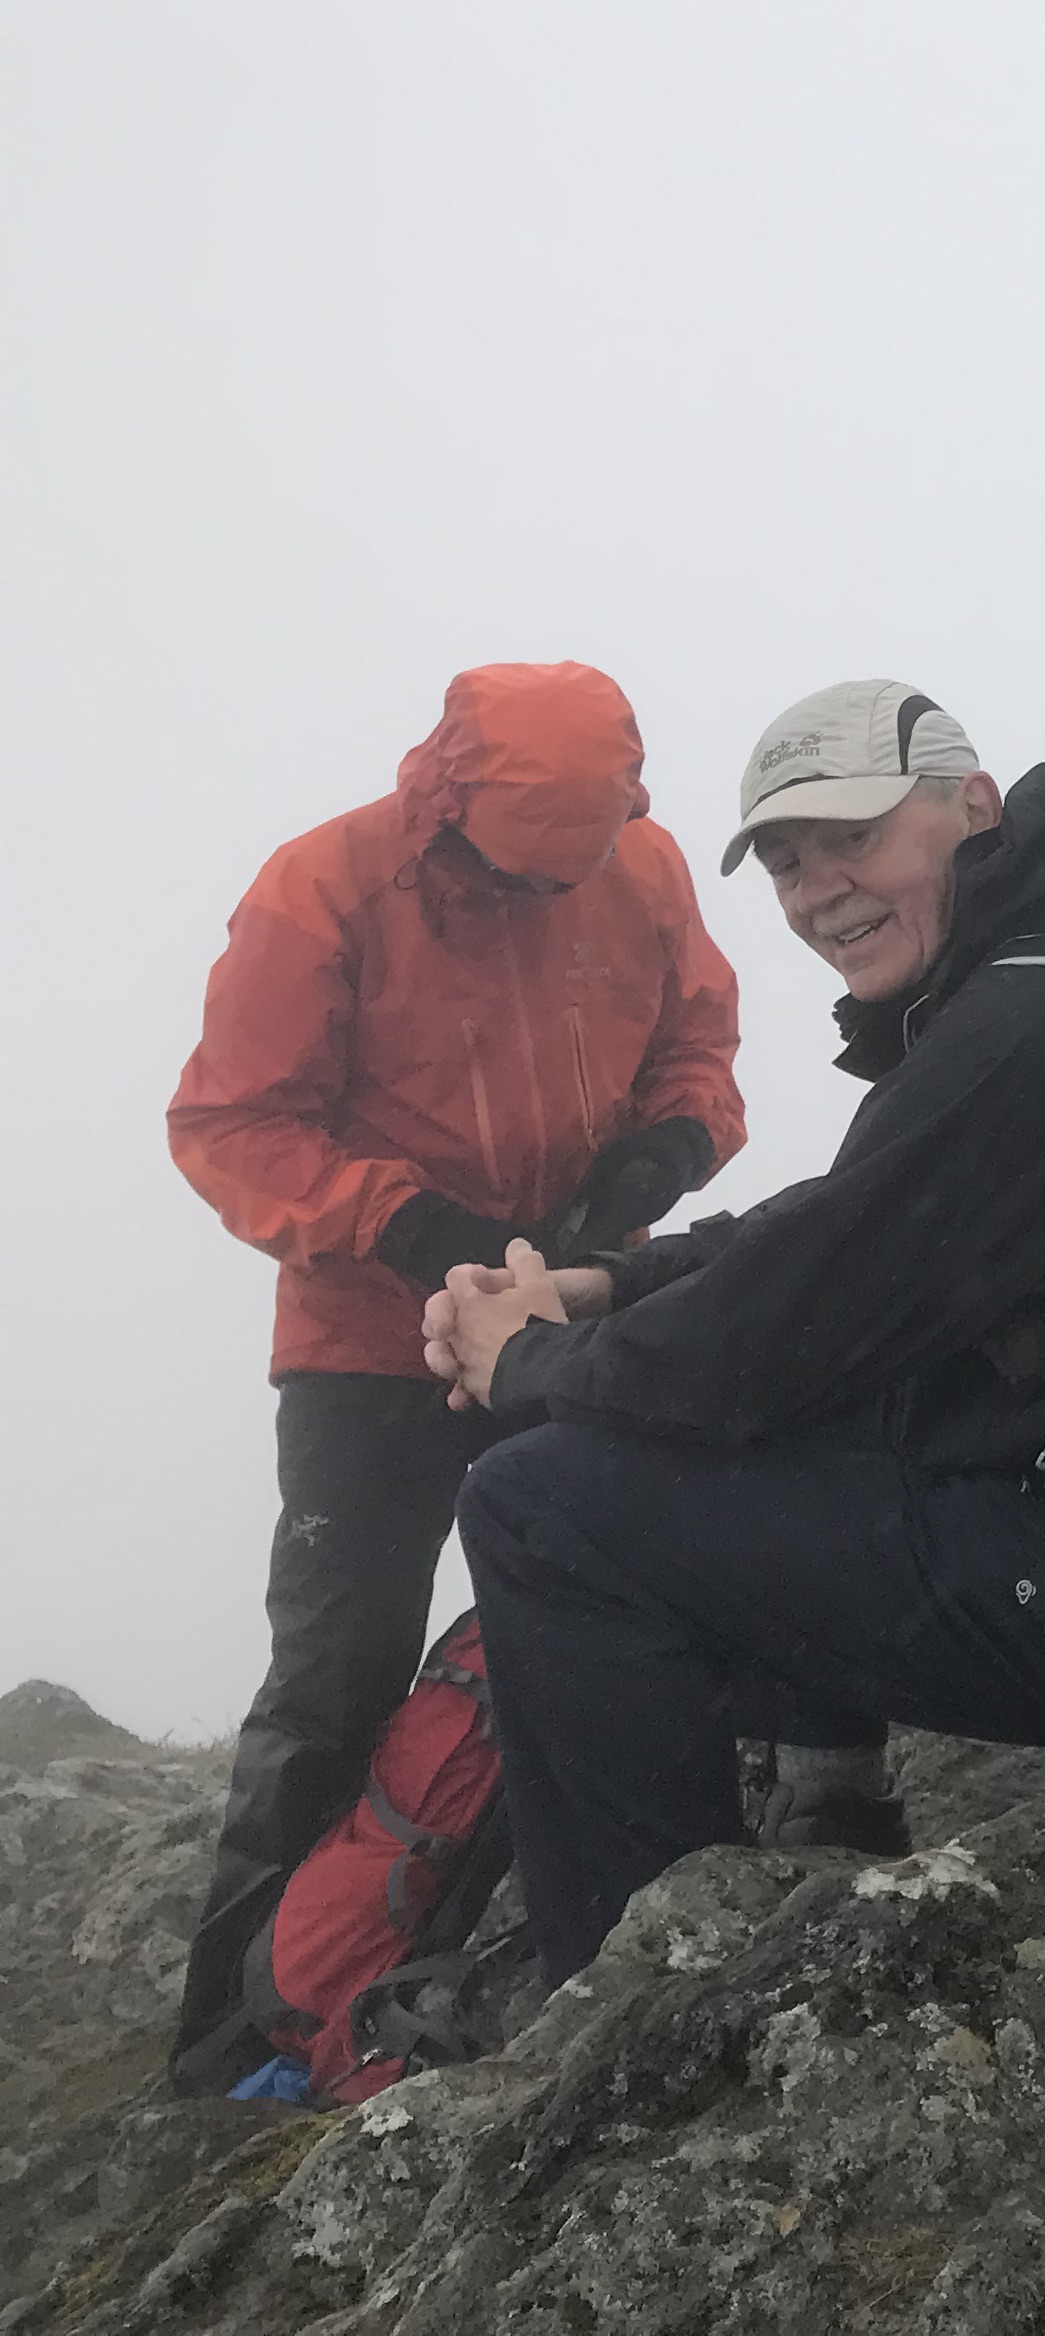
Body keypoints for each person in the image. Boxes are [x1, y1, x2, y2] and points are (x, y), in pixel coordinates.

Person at [420, 681, 1045, 1985]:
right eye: (787, 864)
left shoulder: (1027, 1031)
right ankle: (823, 1797)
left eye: (854, 838)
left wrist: (525, 1362)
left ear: (973, 808)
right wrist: (606, 1282)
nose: (818, 890)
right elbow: (845, 1230)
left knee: (541, 1505)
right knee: (792, 1405)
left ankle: (628, 1984)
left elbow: (763, 1341)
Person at [164, 661, 742, 2087]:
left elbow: (697, 1048)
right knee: (332, 1681)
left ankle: (532, 1954)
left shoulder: (647, 869)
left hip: (562, 1315)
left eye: (578, 869)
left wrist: (654, 1167)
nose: (553, 898)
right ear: (448, 809)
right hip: (365, 1350)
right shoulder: (324, 891)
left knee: (590, 1622)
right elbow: (229, 1124)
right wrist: (406, 1224)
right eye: (517, 875)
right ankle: (230, 2050)